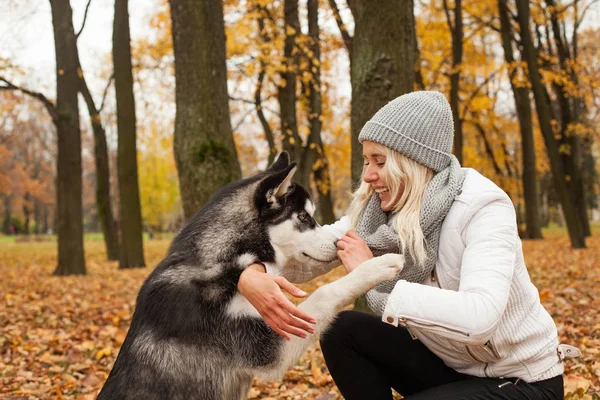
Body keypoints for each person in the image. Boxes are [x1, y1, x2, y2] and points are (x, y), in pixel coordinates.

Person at [238, 91, 576, 399]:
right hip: (452, 370)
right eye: (366, 161)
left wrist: (370, 273)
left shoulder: (482, 206)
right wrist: (247, 272)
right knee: (342, 330)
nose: (368, 175)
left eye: (380, 161)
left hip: (524, 382)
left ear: (414, 162)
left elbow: (480, 318)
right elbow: (309, 253)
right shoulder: (376, 215)